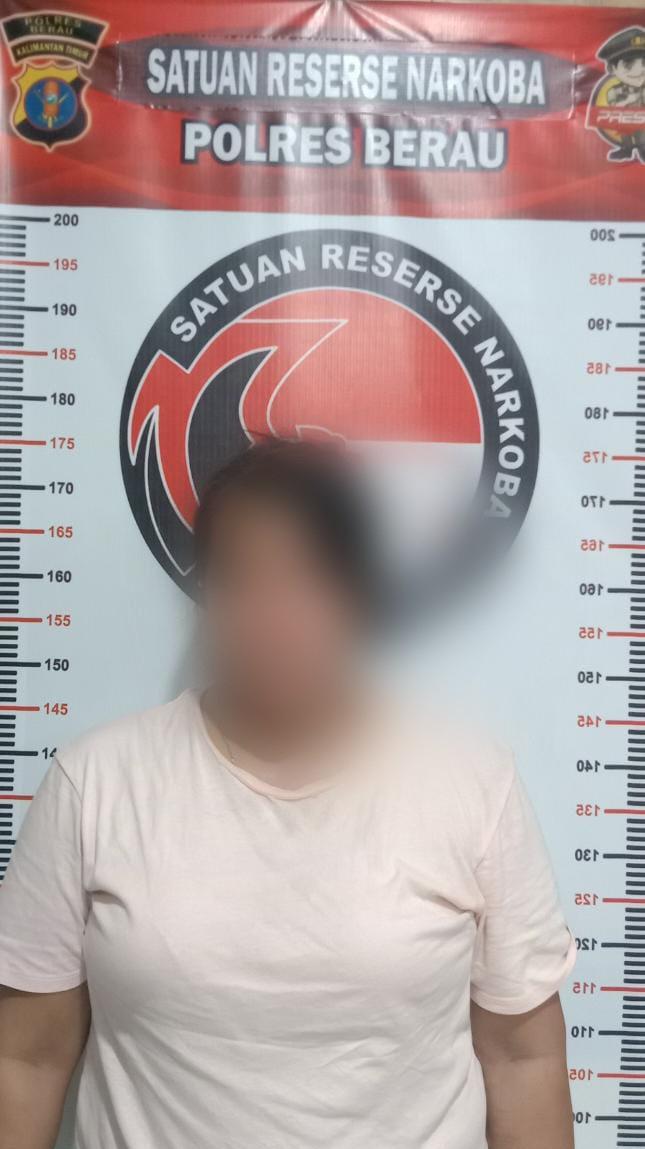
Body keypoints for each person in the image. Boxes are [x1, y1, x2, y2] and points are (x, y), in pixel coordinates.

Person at [0, 439, 575, 1149]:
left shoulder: (471, 781)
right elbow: (26, 1056)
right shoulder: (96, 782)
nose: (273, 616)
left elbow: (522, 1057)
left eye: (308, 577)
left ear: (358, 595)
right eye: (241, 577)